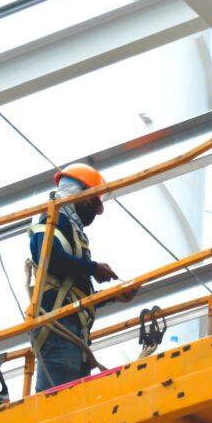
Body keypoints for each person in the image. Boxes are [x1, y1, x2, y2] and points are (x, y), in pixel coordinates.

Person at [27, 163, 134, 391]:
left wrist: (114, 296)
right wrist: (93, 268)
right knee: (56, 406)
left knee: (70, 403)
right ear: (80, 194)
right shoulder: (52, 217)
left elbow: (76, 290)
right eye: (93, 202)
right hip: (58, 326)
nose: (94, 212)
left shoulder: (70, 226)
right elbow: (50, 259)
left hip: (74, 330)